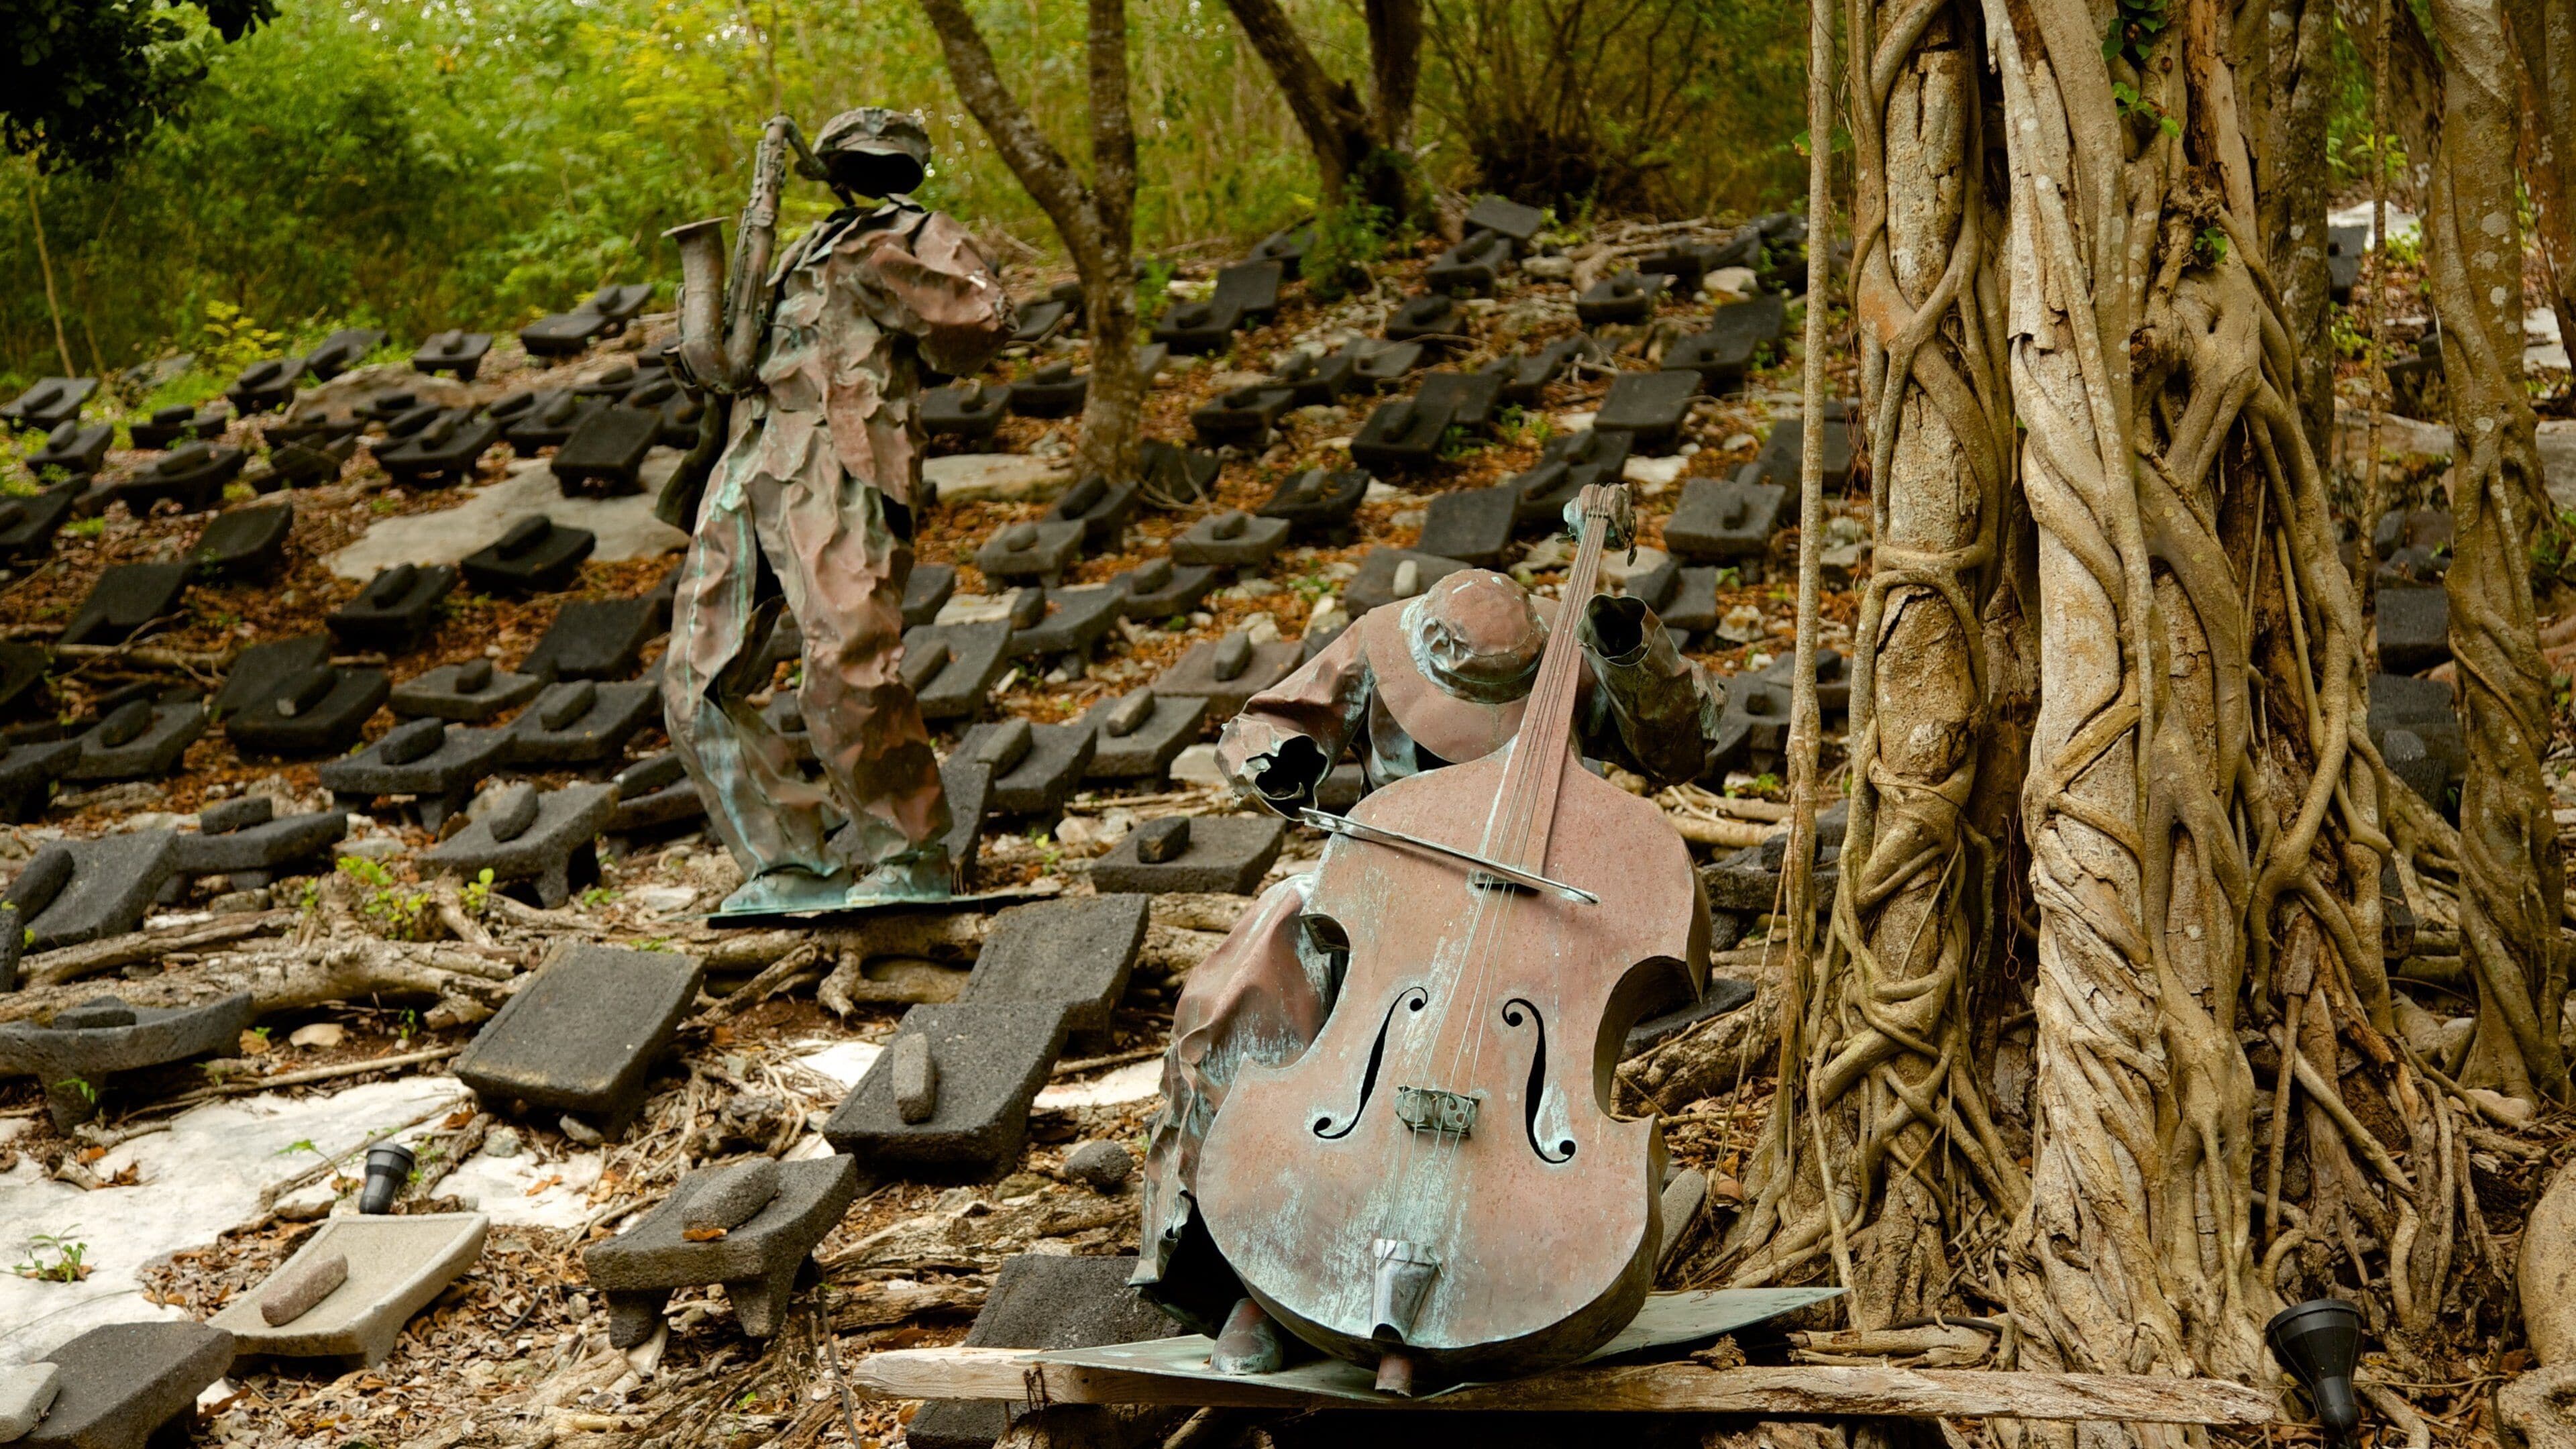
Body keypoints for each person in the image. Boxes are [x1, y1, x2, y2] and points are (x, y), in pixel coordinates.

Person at [1130, 566, 1723, 1372]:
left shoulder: (1576, 646)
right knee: (1245, 975)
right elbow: (1263, 724)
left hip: (1533, 898)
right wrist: (1275, 761)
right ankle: (1240, 1275)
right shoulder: (1382, 637)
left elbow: (1682, 749)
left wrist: (1629, 651)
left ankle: (1504, 1261)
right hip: (1389, 895)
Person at [662, 108, 1013, 914]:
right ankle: (784, 864)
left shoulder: (917, 235)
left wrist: (893, 271)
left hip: (840, 459)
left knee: (847, 658)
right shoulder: (801, 246)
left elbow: (982, 326)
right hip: (747, 460)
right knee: (694, 676)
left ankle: (909, 851)